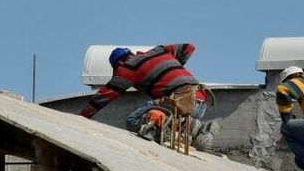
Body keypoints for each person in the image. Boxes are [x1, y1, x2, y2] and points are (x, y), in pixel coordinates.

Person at [80, 45, 216, 144]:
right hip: (202, 102)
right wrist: (173, 68)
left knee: (132, 121)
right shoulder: (159, 51)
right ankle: (198, 130)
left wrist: (81, 118)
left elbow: (103, 97)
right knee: (170, 122)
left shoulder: (127, 67)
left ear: (119, 63)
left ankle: (177, 128)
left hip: (179, 100)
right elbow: (189, 47)